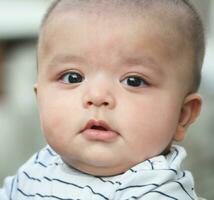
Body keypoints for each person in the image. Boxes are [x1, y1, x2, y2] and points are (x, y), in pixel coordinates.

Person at [0, 0, 206, 199]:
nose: (97, 97)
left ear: (182, 115)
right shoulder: (37, 167)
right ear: (40, 99)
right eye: (72, 77)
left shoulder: (155, 189)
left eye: (133, 81)